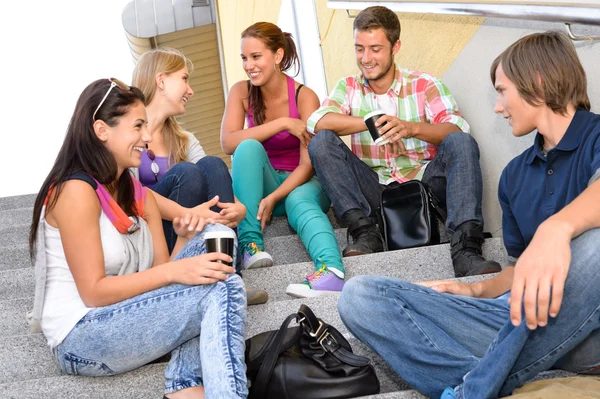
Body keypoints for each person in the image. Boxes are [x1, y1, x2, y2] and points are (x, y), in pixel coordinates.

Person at [338, 31, 600, 399]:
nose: (497, 106)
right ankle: (497, 378)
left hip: (586, 331)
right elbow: (520, 272)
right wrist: (473, 289)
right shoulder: (514, 175)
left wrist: (556, 229)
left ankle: (473, 390)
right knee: (360, 296)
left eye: (502, 90)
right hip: (515, 321)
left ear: (537, 84)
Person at [27, 78, 248, 398]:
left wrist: (192, 236)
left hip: (127, 316)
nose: (148, 137)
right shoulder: (75, 191)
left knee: (218, 238)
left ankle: (186, 385)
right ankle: (199, 387)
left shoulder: (136, 194)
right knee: (223, 285)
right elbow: (94, 293)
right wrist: (176, 271)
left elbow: (162, 275)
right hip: (82, 336)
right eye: (138, 126)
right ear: (102, 130)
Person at [307, 6, 500, 277]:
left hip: (426, 186)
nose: (365, 58)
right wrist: (370, 121)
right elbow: (317, 121)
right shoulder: (348, 87)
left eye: (375, 49)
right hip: (375, 189)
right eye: (359, 48)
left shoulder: (424, 84)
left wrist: (410, 129)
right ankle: (366, 233)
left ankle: (466, 248)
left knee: (461, 142)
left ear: (396, 46)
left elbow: (456, 127)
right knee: (322, 142)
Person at [220, 22, 345, 297]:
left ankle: (331, 271)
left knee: (297, 200)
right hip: (262, 186)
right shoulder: (241, 92)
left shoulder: (304, 96)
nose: (249, 65)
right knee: (247, 147)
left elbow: (307, 164)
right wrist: (283, 124)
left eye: (256, 57)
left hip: (302, 183)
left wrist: (275, 196)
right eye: (244, 58)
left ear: (277, 56)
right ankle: (251, 244)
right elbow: (228, 142)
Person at [132, 48, 246, 255]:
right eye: (184, 79)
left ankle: (228, 272)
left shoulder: (184, 140)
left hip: (191, 228)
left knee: (212, 163)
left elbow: (213, 178)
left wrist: (238, 207)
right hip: (152, 237)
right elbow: (130, 194)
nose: (190, 90)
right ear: (161, 81)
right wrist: (189, 213)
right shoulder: (128, 134)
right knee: (187, 172)